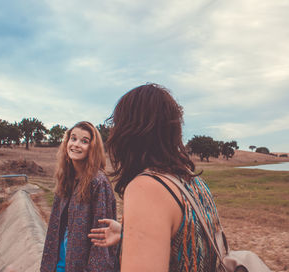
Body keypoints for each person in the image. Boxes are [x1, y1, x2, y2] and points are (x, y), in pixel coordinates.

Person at [88, 84, 221, 271]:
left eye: (117, 124)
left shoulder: (146, 187)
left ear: (130, 132)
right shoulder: (196, 182)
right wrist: (128, 234)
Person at [40, 121, 116, 272]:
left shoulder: (98, 182)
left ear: (92, 148)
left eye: (84, 141)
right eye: (73, 138)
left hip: (81, 266)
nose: (76, 144)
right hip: (58, 262)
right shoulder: (66, 177)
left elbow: (101, 233)